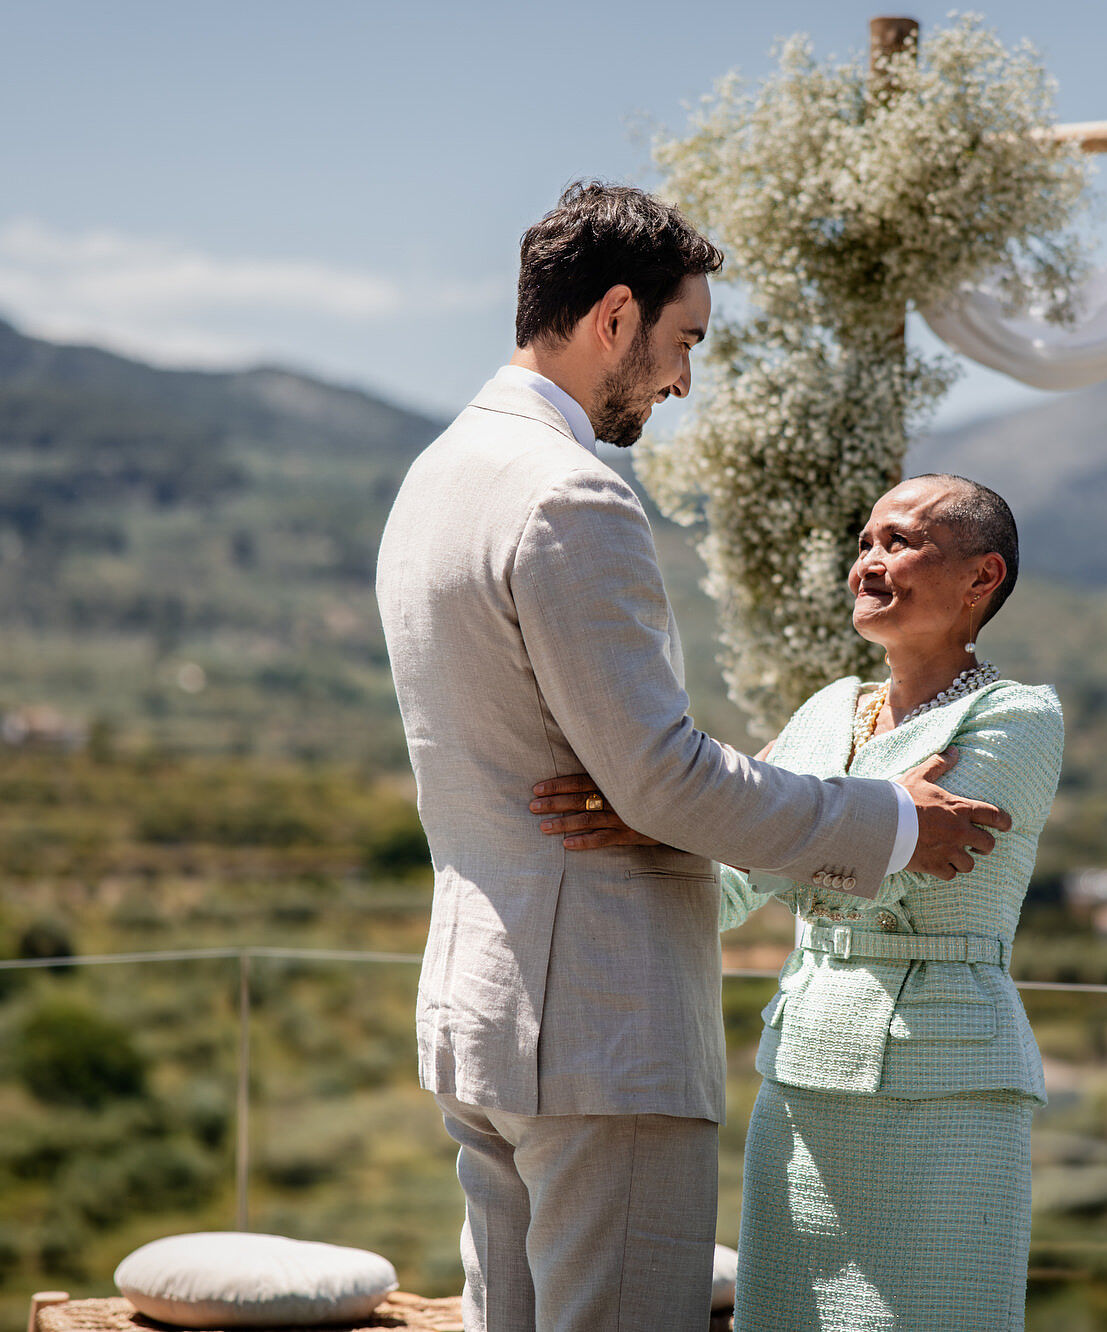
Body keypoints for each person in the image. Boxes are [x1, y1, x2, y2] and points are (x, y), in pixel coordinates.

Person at [375, 182, 1012, 1332]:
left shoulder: (435, 477)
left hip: (484, 1015)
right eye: (681, 344)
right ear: (614, 317)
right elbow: (659, 780)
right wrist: (896, 822)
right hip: (599, 1032)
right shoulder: (569, 495)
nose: (681, 382)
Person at [539, 474, 1061, 1330]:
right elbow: (742, 879)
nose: (868, 564)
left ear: (982, 577)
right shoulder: (827, 710)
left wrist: (709, 818)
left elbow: (905, 863)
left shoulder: (1019, 719)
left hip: (949, 1086)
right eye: (863, 545)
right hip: (807, 1071)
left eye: (898, 541)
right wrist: (646, 832)